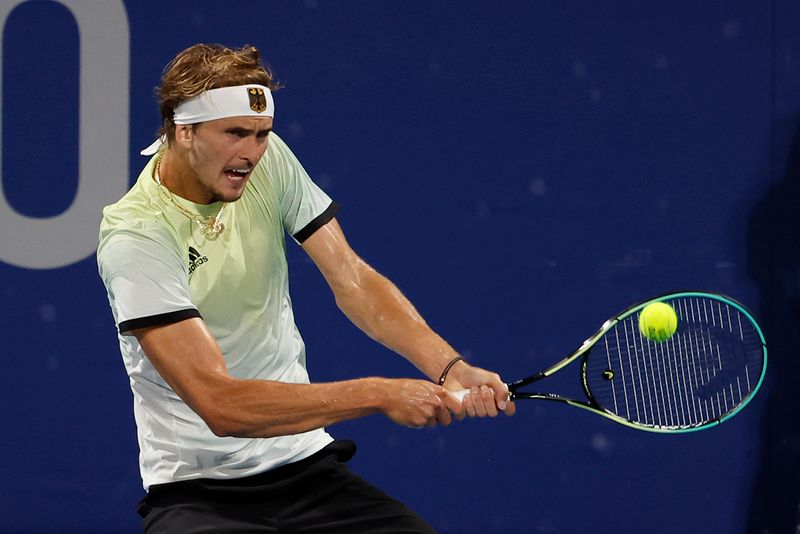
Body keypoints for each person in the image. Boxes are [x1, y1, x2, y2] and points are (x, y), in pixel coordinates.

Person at [97, 43, 514, 533]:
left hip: (307, 471)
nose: (251, 153)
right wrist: (379, 393)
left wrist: (449, 366)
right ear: (183, 131)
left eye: (261, 135)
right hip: (197, 494)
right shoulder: (136, 236)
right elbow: (221, 404)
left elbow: (354, 280)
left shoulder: (268, 164)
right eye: (235, 133)